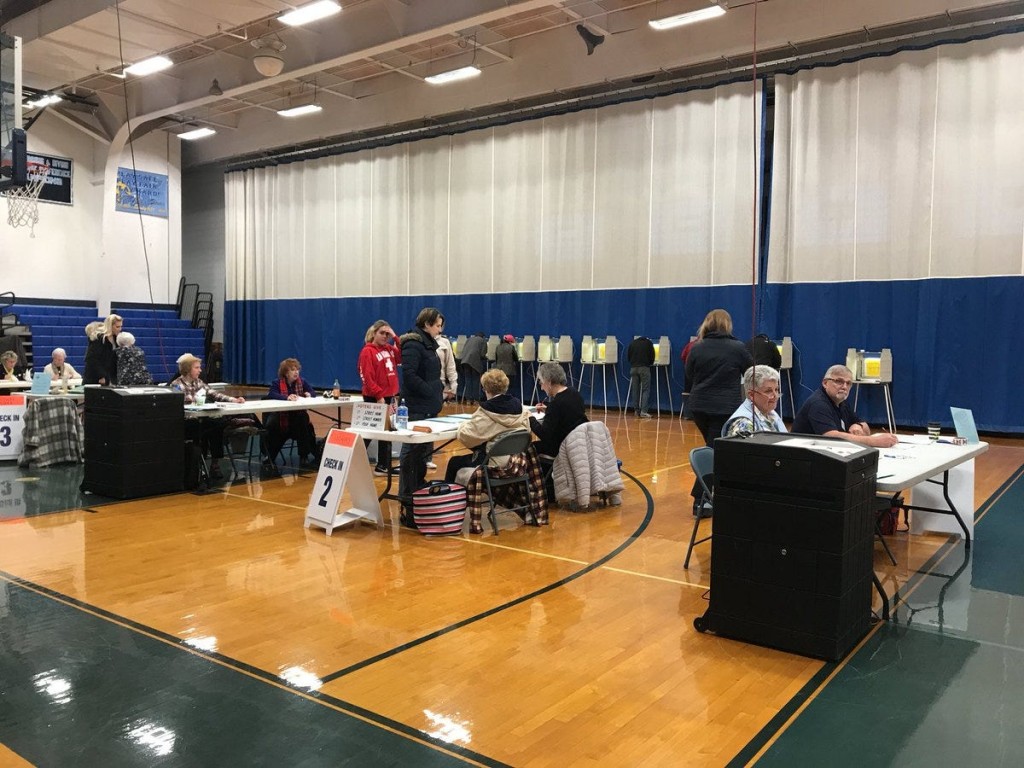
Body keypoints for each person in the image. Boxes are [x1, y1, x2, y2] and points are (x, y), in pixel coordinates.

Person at [684, 309, 752, 512]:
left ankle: (713, 494)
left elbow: (689, 374)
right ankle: (701, 499)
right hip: (724, 407)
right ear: (727, 325)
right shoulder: (737, 348)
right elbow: (751, 373)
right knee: (715, 451)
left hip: (698, 406)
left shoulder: (697, 347)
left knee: (713, 448)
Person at [397, 307, 445, 523]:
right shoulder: (413, 344)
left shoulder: (430, 345)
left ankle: (419, 496)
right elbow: (409, 376)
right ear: (426, 324)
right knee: (411, 453)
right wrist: (430, 391)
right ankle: (407, 500)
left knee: (422, 454)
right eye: (437, 325)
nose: (440, 330)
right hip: (416, 407)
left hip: (429, 406)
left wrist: (438, 391)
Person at [445, 369, 531, 484]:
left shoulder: (486, 411)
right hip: (517, 462)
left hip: (493, 464)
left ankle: (451, 493)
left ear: (486, 389)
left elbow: (467, 436)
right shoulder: (520, 408)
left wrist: (463, 425)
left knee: (454, 462)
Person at [171, 353, 246, 479]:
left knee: (218, 426)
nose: (200, 370)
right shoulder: (176, 385)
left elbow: (215, 394)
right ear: (187, 369)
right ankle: (199, 463)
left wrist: (234, 399)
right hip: (187, 421)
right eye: (197, 367)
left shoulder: (199, 382)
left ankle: (215, 463)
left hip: (201, 418)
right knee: (200, 430)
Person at [792, 364, 899, 448]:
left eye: (848, 383)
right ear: (825, 383)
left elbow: (866, 427)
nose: (844, 387)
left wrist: (858, 426)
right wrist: (875, 441)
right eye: (839, 381)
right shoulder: (818, 403)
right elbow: (831, 437)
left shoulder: (841, 401)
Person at [358, 320, 400, 476]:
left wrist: (395, 337)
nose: (385, 336)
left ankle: (383, 465)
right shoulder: (367, 351)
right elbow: (367, 377)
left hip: (390, 396)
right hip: (375, 397)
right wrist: (378, 395)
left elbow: (402, 357)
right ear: (373, 333)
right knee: (370, 431)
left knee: (387, 431)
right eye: (382, 333)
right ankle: (353, 458)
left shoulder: (389, 349)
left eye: (387, 334)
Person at [264, 357, 318, 468]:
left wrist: (309, 394)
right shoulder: (277, 383)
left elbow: (313, 392)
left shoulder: (302, 382)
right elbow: (272, 394)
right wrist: (286, 397)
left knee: (302, 419)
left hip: (297, 418)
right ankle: (271, 456)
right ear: (286, 373)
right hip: (282, 418)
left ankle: (304, 456)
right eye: (293, 370)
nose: (296, 372)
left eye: (297, 369)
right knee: (300, 424)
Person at [530, 361, 588, 457]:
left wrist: (530, 418)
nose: (541, 388)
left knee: (529, 447)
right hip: (579, 443)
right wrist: (548, 410)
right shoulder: (574, 393)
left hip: (562, 447)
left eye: (541, 382)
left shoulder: (555, 404)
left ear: (548, 382)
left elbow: (544, 435)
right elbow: (567, 413)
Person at [723, 366, 788, 437]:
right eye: (768, 391)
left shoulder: (770, 413)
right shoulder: (743, 424)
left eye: (776, 389)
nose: (775, 395)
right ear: (751, 394)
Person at [83, 314, 122, 385]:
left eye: (120, 326)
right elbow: (91, 359)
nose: (120, 329)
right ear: (110, 326)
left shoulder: (116, 339)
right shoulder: (99, 338)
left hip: (108, 376)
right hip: (95, 377)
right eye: (117, 327)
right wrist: (101, 375)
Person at [626, 335, 656, 418]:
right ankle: (643, 411)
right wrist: (650, 363)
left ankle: (636, 411)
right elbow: (652, 356)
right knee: (645, 389)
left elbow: (628, 356)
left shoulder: (632, 343)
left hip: (633, 368)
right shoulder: (648, 343)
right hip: (644, 368)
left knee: (635, 390)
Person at [459, 331, 487, 403]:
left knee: (468, 380)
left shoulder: (469, 339)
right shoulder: (483, 341)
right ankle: (475, 399)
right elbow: (482, 354)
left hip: (464, 361)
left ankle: (468, 399)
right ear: (483, 337)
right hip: (475, 362)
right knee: (475, 380)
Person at [436, 333, 458, 404]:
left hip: (439, 385)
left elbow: (450, 365)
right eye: (437, 327)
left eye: (440, 327)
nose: (440, 330)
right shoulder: (419, 341)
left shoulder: (445, 342)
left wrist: (453, 384)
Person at [494, 334, 519, 399]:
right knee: (509, 386)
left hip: (499, 370)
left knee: (500, 386)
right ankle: (508, 400)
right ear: (510, 341)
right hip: (509, 370)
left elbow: (496, 358)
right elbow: (516, 358)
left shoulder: (498, 347)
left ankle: (500, 400)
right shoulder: (511, 347)